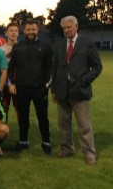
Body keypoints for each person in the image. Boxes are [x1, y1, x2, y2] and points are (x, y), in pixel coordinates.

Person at [51, 15, 103, 165]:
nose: (66, 30)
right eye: (64, 28)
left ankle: (89, 153)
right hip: (62, 90)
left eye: (69, 27)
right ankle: (67, 148)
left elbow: (98, 67)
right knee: (63, 123)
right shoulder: (59, 44)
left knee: (84, 124)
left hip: (80, 90)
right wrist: (53, 89)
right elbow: (55, 69)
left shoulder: (87, 43)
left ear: (76, 26)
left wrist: (84, 80)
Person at [8, 21, 53, 154]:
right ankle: (23, 141)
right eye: (28, 29)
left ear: (37, 30)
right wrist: (12, 84)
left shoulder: (45, 46)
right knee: (23, 116)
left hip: (40, 88)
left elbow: (51, 67)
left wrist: (47, 85)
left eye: (33, 29)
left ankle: (46, 142)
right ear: (24, 31)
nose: (31, 32)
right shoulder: (17, 47)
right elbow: (11, 67)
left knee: (42, 117)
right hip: (22, 89)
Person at [0, 22, 19, 121]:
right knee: (3, 109)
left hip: (18, 84)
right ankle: (2, 132)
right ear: (6, 33)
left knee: (19, 109)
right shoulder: (0, 50)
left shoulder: (22, 48)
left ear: (18, 33)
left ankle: (22, 133)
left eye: (15, 30)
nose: (13, 33)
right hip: (4, 84)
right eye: (11, 30)